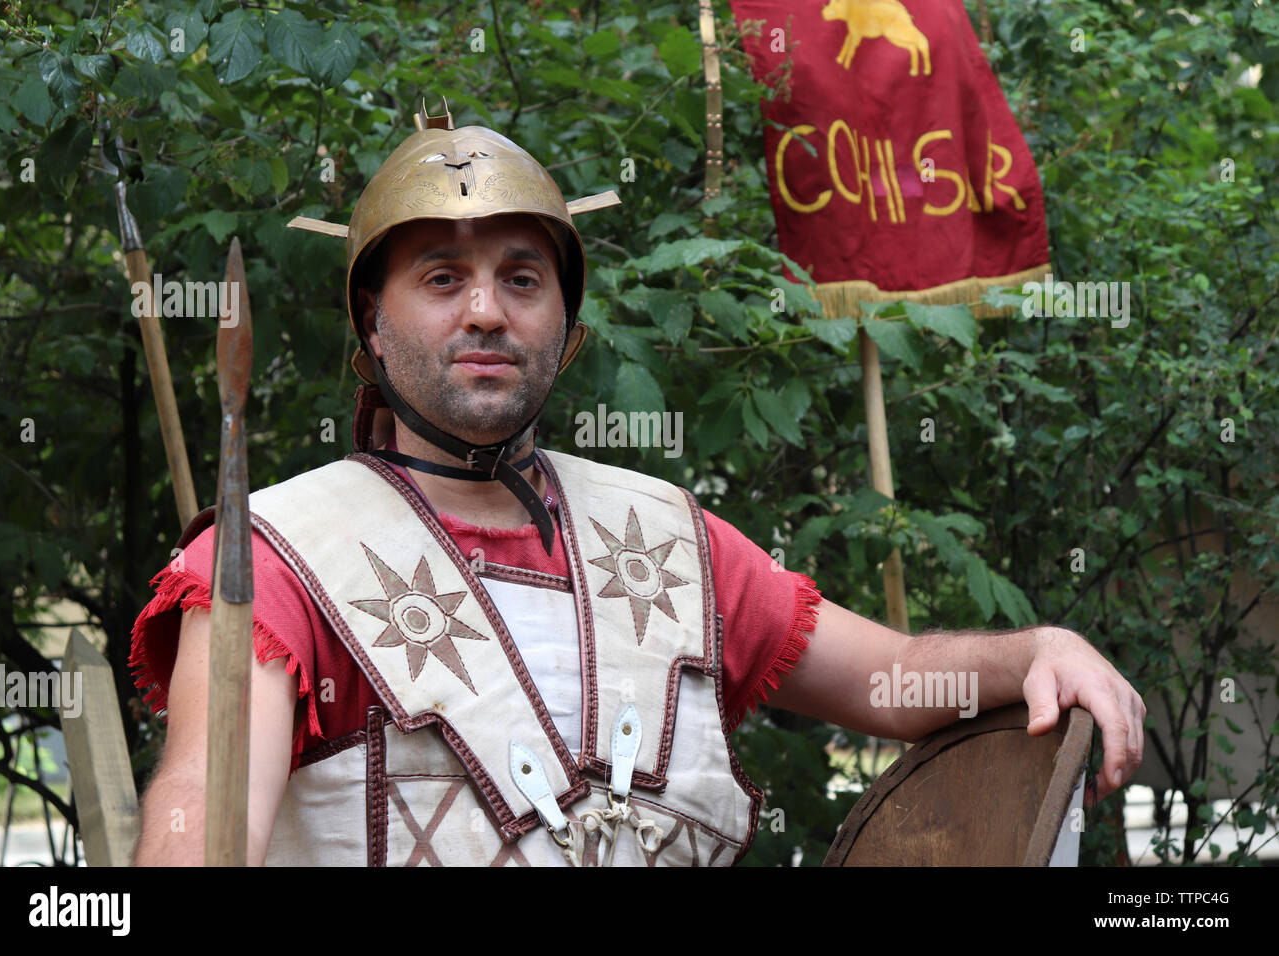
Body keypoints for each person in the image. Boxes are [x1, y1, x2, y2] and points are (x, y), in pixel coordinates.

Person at [129, 105, 1145, 867]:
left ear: (565, 333)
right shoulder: (272, 558)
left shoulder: (661, 534)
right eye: (441, 277)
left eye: (523, 279)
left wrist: (1038, 650)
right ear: (371, 324)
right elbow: (203, 804)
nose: (485, 309)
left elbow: (888, 680)